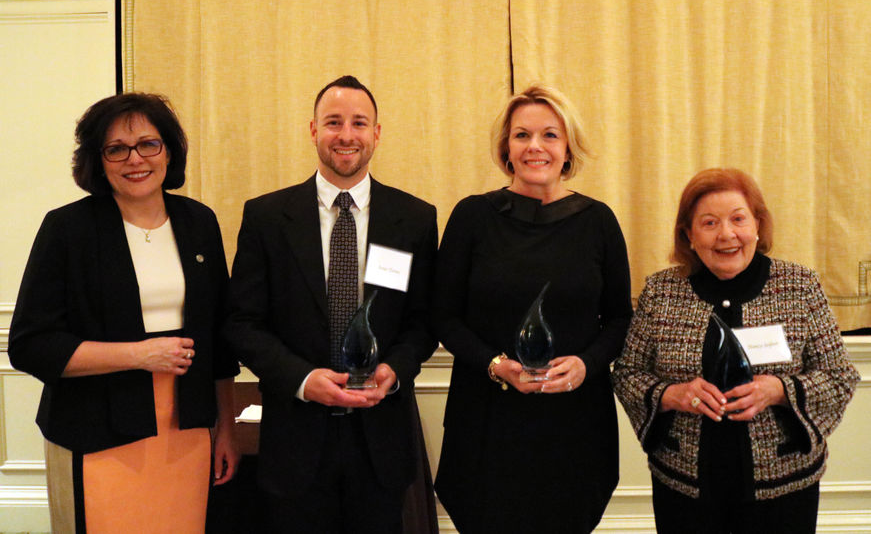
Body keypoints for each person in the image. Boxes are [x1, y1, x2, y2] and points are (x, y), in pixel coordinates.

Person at [8, 93, 240, 533]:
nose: (135, 159)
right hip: (96, 432)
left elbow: (219, 341)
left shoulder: (199, 223)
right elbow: (31, 345)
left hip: (187, 430)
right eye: (117, 149)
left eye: (148, 144)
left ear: (169, 151)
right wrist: (138, 355)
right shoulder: (67, 229)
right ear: (99, 160)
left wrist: (225, 428)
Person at [223, 75, 438, 533]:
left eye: (359, 123)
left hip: (380, 438)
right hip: (296, 438)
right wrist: (302, 379)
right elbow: (242, 323)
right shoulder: (266, 218)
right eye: (333, 122)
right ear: (313, 130)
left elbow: (422, 322)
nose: (346, 135)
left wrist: (393, 371)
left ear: (377, 133)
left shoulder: (415, 219)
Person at [612, 168, 860, 534]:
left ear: (758, 226)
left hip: (784, 489)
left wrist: (778, 390)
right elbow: (627, 373)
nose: (726, 234)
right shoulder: (661, 292)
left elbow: (840, 377)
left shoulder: (800, 286)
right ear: (689, 235)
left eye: (738, 219)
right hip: (685, 490)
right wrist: (673, 395)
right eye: (709, 223)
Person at [432, 84, 632, 533]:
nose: (535, 147)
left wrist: (586, 364)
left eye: (549, 135)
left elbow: (620, 318)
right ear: (506, 147)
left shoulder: (598, 221)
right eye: (522, 135)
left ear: (568, 148)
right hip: (488, 417)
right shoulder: (472, 217)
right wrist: (496, 364)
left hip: (574, 420)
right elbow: (443, 316)